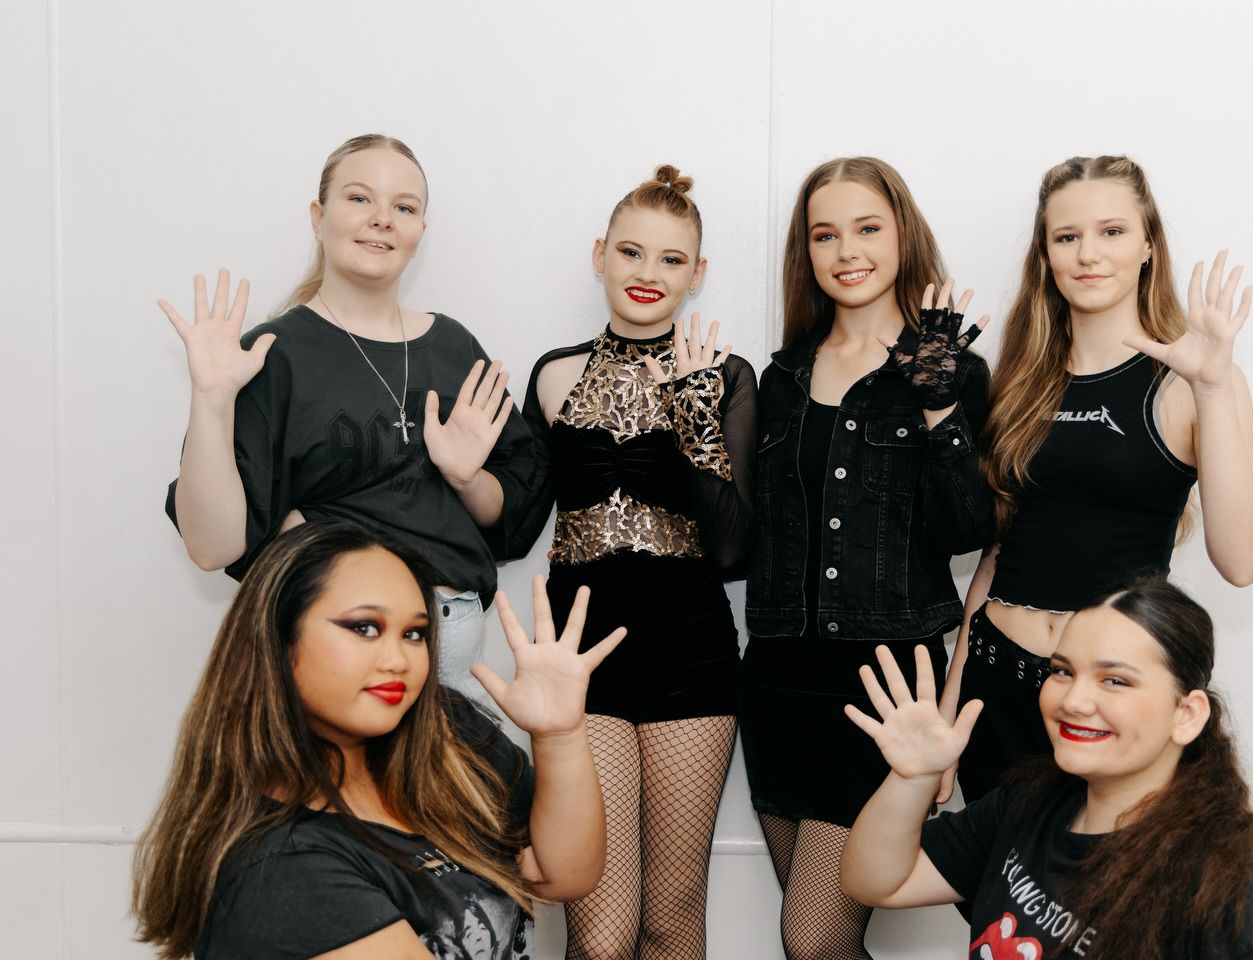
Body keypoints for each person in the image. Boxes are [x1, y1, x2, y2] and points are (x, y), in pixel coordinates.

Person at [131, 519, 622, 959]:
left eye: (414, 634)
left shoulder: (448, 734)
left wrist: (559, 734)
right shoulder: (276, 866)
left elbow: (562, 875)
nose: (399, 658)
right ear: (280, 638)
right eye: (365, 628)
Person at [161, 133, 532, 703]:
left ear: (419, 233)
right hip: (331, 647)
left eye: (404, 207)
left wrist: (467, 479)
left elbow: (512, 511)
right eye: (360, 198)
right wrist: (212, 398)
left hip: (452, 652)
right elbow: (212, 548)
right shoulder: (270, 354)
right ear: (319, 215)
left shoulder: (454, 347)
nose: (382, 219)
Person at [948, 155, 1253, 802]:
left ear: (1149, 243)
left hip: (1109, 698)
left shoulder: (1196, 378)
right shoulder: (1019, 377)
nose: (1088, 255)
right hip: (995, 682)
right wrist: (951, 711)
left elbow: (1244, 562)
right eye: (1067, 237)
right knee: (996, 900)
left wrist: (1212, 388)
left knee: (1094, 897)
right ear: (1046, 255)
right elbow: (996, 552)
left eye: (1112, 232)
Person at [740, 156, 994, 960]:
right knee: (819, 940)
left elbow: (974, 528)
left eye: (867, 227)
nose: (846, 249)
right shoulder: (779, 377)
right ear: (806, 252)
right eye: (825, 233)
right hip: (778, 684)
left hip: (885, 692)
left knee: (813, 939)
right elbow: (748, 535)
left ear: (902, 235)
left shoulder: (951, 369)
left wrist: (939, 403)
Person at [508, 165, 756, 959]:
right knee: (603, 933)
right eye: (631, 252)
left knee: (669, 919)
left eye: (671, 259)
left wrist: (695, 418)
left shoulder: (727, 376)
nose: (648, 274)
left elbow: (732, 549)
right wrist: (465, 473)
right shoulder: (552, 372)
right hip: (583, 663)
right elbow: (514, 529)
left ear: (699, 274)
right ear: (600, 256)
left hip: (692, 653)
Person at [841, 577, 1253, 960]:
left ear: (1187, 714)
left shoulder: (1236, 900)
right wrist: (914, 776)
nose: (1074, 700)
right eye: (1062, 671)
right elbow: (879, 881)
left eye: (1115, 680)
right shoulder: (1030, 803)